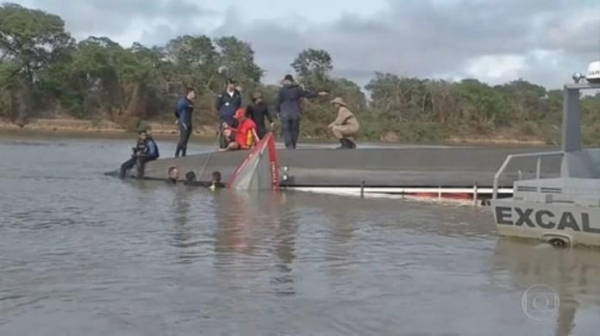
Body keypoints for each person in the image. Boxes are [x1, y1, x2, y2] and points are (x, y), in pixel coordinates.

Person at [274, 74, 329, 149]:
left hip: (284, 112)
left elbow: (277, 102)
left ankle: (289, 144)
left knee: (286, 129)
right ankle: (293, 144)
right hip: (295, 112)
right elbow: (307, 94)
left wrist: (277, 111)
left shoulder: (281, 91)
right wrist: (318, 93)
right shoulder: (297, 89)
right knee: (295, 129)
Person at [215, 78, 242, 148]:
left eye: (233, 84)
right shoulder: (222, 94)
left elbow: (239, 105)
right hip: (225, 118)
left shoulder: (237, 94)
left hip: (234, 119)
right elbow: (217, 105)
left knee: (234, 136)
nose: (232, 85)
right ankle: (223, 148)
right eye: (231, 84)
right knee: (224, 136)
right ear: (227, 84)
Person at [174, 87, 195, 157]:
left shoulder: (191, 102)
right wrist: (178, 118)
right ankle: (176, 154)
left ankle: (183, 155)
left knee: (186, 141)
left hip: (189, 122)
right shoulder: (183, 101)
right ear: (189, 93)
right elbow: (177, 110)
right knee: (182, 139)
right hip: (183, 122)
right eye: (193, 93)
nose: (194, 95)